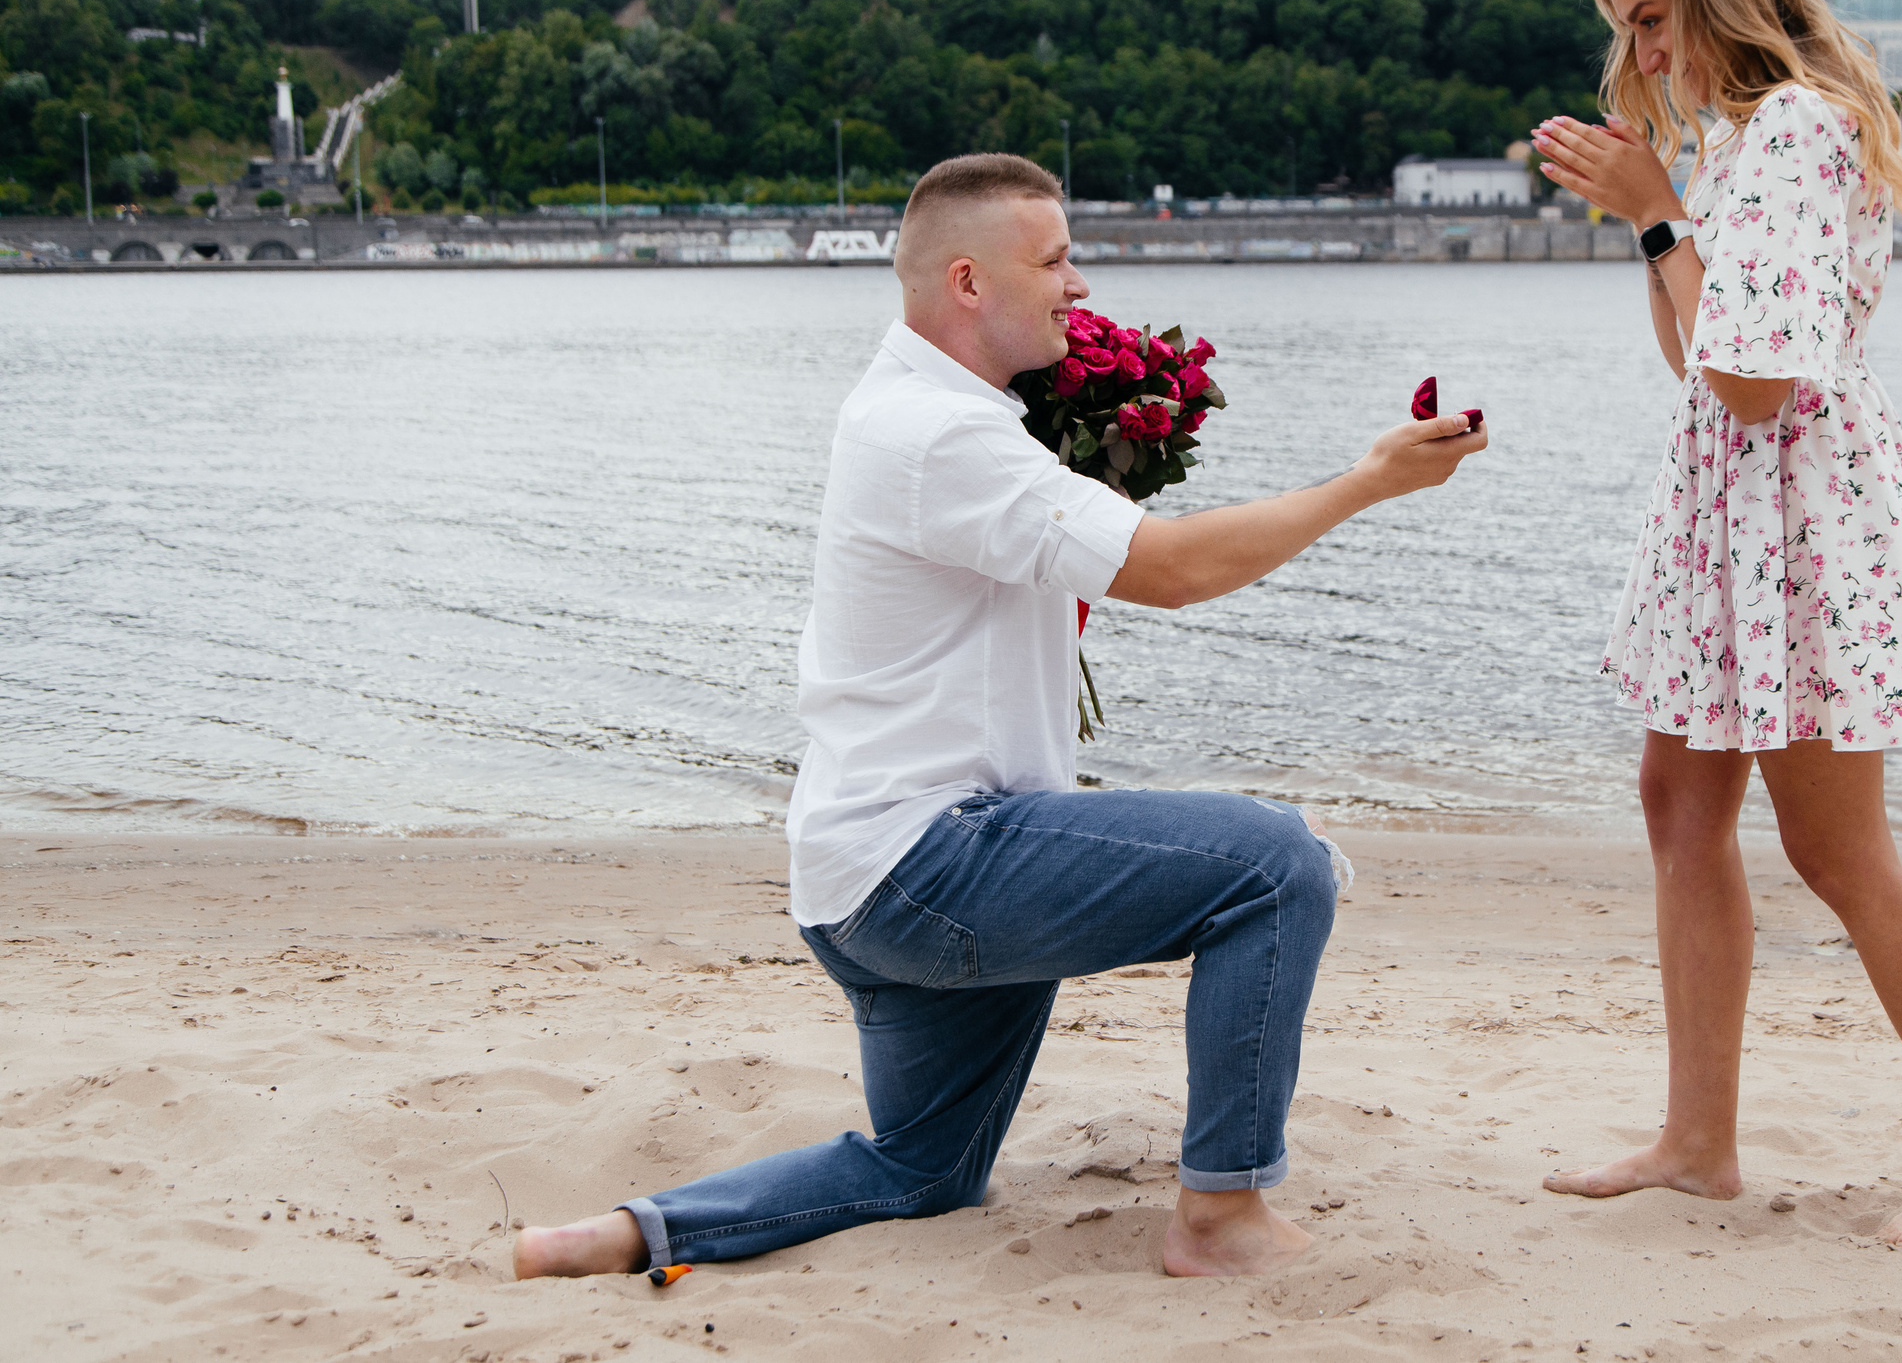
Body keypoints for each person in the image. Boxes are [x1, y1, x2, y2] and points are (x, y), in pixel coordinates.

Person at [514, 153, 1488, 1282]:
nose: (1080, 284)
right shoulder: (941, 433)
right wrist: (1366, 482)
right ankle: (1221, 1218)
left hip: (858, 876)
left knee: (922, 1171)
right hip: (931, 863)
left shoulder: (925, 409)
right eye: (1055, 260)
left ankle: (627, 1232)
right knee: (1275, 865)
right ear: (969, 282)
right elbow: (1173, 571)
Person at [1525, 0, 1902, 1248]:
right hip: (1733, 510)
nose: (1641, 52)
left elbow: (1753, 384)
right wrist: (1657, 217)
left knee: (1836, 849)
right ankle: (1698, 1140)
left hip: (1799, 518)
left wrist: (1657, 212)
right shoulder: (1741, 139)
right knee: (1678, 805)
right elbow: (1695, 357)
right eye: (1625, 27)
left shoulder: (1799, 125)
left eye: (1652, 17)